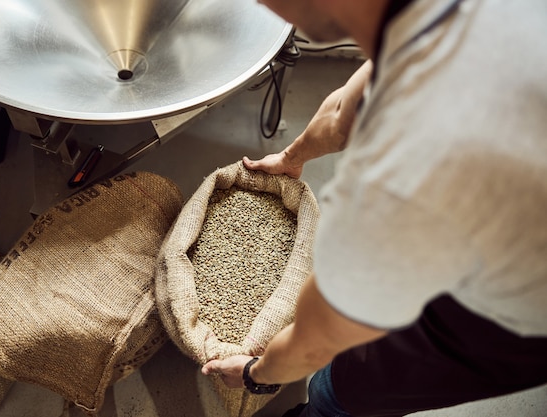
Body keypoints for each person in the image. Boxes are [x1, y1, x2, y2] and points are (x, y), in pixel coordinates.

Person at [201, 0, 547, 416]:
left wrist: (255, 374)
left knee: (349, 389)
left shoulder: (401, 175)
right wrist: (293, 157)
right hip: (507, 221)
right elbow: (347, 108)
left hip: (509, 328)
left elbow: (317, 341)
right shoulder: (436, 17)